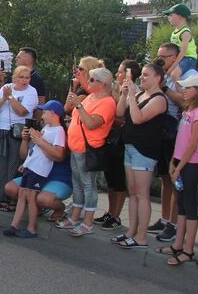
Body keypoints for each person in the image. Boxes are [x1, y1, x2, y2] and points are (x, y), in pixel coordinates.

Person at [155, 74, 198, 266]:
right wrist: (173, 161)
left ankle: (188, 250)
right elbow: (181, 140)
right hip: (180, 162)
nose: (184, 91)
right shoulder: (188, 110)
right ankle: (178, 245)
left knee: (189, 206)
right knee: (181, 204)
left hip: (191, 164)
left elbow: (193, 145)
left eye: (188, 88)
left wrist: (179, 167)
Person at [111, 64, 168, 248]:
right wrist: (124, 93)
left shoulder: (159, 99)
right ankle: (131, 231)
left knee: (142, 194)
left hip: (144, 150)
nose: (141, 78)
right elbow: (120, 112)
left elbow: (137, 118)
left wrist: (132, 96)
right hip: (130, 146)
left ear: (157, 78)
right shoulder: (139, 94)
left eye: (146, 75)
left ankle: (142, 236)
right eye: (141, 75)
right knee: (133, 192)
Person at [59, 67, 117, 237]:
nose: (88, 82)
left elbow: (91, 123)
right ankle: (75, 217)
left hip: (88, 149)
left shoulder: (108, 102)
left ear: (103, 84)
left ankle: (88, 222)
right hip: (76, 146)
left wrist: (79, 105)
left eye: (91, 79)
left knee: (88, 185)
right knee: (77, 182)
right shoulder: (91, 97)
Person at [3, 100, 66, 238]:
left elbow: (55, 153)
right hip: (32, 166)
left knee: (31, 197)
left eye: (44, 113)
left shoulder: (59, 131)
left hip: (40, 169)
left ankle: (31, 228)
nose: (42, 116)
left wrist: (39, 140)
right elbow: (35, 150)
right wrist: (26, 163)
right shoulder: (47, 128)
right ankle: (14, 225)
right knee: (22, 194)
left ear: (53, 113)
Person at [95, 60, 141, 230]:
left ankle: (116, 216)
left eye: (121, 72)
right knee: (111, 179)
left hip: (122, 140)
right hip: (111, 138)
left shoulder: (135, 92)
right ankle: (110, 211)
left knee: (119, 179)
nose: (117, 74)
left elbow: (121, 116)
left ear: (130, 74)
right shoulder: (117, 89)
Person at [0, 65, 38, 210]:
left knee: (14, 163)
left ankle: (13, 199)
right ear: (15, 78)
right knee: (2, 164)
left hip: (18, 131)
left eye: (27, 78)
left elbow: (22, 111)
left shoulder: (31, 91)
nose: (24, 80)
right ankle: (2, 198)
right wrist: (4, 97)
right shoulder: (7, 88)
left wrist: (10, 97)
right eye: (21, 77)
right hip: (3, 129)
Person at [162, 3, 197, 75]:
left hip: (188, 58)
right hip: (178, 57)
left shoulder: (185, 33)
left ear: (180, 16)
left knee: (174, 74)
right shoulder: (174, 32)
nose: (168, 18)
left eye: (171, 15)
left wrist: (172, 67)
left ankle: (178, 83)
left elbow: (183, 52)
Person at [15, 47, 46, 112]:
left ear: (29, 60)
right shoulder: (13, 77)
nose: (16, 59)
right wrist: (1, 81)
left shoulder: (37, 80)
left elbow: (40, 104)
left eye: (19, 57)